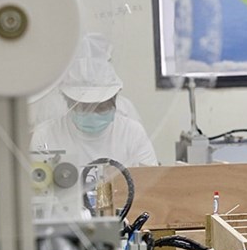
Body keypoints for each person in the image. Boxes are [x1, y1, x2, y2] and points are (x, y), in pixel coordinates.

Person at [30, 57, 158, 168]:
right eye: (84, 108)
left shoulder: (132, 133)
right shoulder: (46, 136)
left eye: (101, 107)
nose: (93, 113)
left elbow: (152, 185)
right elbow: (35, 188)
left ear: (114, 101)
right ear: (68, 102)